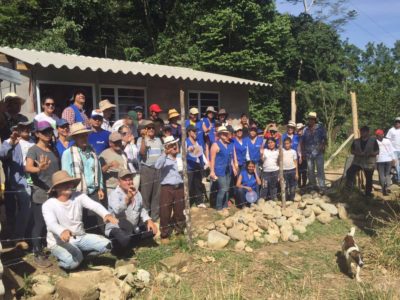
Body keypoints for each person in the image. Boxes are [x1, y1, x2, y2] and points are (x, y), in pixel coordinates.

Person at [42, 170, 118, 270]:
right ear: (56, 188)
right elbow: (51, 224)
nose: (69, 185)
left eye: (69, 182)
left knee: (107, 245)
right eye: (64, 184)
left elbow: (94, 205)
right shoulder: (48, 204)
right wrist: (62, 231)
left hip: (80, 237)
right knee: (72, 263)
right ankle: (62, 263)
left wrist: (106, 214)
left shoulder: (78, 196)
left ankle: (83, 257)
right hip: (60, 242)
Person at [25, 121, 60, 267]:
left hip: (54, 192)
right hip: (40, 193)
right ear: (37, 134)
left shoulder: (52, 149)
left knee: (51, 222)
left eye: (49, 131)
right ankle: (37, 252)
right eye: (44, 131)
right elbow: (28, 167)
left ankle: (51, 247)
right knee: (39, 223)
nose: (47, 134)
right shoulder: (33, 150)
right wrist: (39, 169)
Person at [61, 122, 105, 229]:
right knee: (82, 219)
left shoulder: (92, 151)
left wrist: (100, 188)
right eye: (81, 136)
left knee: (97, 218)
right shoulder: (68, 153)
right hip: (77, 191)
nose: (84, 138)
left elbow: (98, 171)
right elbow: (65, 175)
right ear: (75, 138)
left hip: (93, 190)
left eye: (85, 135)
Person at [105, 169, 157, 255]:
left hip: (132, 228)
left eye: (130, 179)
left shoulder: (137, 193)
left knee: (152, 230)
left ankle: (130, 241)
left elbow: (141, 209)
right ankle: (116, 245)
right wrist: (128, 198)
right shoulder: (114, 194)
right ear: (119, 182)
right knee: (124, 239)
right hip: (117, 228)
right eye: (125, 180)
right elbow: (117, 210)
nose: (128, 182)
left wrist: (149, 220)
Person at [0, 120, 34, 245]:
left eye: (27, 126)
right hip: (20, 180)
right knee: (25, 207)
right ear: (17, 129)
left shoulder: (33, 141)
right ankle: (18, 237)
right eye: (22, 127)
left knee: (32, 209)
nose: (25, 129)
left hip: (35, 178)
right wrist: (11, 142)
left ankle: (29, 235)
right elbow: (1, 153)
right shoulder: (11, 142)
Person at [155, 136, 185, 244]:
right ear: (167, 147)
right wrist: (165, 153)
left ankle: (179, 231)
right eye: (171, 145)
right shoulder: (163, 158)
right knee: (165, 211)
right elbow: (157, 166)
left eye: (175, 144)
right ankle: (164, 234)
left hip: (179, 186)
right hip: (167, 187)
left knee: (179, 210)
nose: (174, 147)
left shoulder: (180, 157)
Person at [137, 121, 163, 220]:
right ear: (145, 130)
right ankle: (146, 219)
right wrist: (144, 138)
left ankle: (155, 218)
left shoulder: (158, 140)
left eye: (153, 127)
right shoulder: (141, 139)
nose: (151, 129)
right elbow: (142, 152)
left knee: (156, 195)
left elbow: (162, 153)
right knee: (145, 195)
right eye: (148, 128)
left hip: (157, 169)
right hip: (146, 169)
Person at [210, 126, 238, 213]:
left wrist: (234, 167)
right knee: (223, 188)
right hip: (219, 170)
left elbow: (232, 158)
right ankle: (218, 207)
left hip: (228, 170)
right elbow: (212, 160)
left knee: (227, 188)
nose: (225, 135)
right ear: (220, 134)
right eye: (223, 133)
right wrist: (212, 171)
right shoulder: (215, 145)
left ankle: (225, 205)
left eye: (226, 133)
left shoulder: (230, 144)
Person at [345, 126, 379, 197]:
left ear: (368, 132)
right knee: (349, 171)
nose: (362, 133)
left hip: (369, 162)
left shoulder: (373, 140)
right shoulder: (356, 141)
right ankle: (350, 187)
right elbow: (352, 151)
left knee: (369, 178)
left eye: (364, 132)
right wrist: (358, 154)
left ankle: (368, 193)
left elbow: (377, 151)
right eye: (361, 132)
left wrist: (370, 154)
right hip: (358, 162)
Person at [301, 112, 327, 191]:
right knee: (310, 171)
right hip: (308, 154)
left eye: (312, 119)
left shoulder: (320, 128)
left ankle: (322, 187)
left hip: (319, 153)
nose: (310, 120)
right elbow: (302, 141)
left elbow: (324, 139)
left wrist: (322, 147)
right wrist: (303, 153)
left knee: (320, 170)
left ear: (315, 120)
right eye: (309, 119)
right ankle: (313, 186)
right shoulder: (305, 129)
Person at [99, 132, 129, 197]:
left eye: (119, 141)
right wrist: (109, 165)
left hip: (123, 187)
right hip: (110, 188)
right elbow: (99, 171)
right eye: (115, 142)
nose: (118, 144)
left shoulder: (124, 154)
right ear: (110, 143)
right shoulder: (104, 154)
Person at [186, 125, 207, 208]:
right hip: (189, 167)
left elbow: (201, 154)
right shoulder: (186, 142)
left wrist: (206, 162)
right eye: (194, 131)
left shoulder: (197, 142)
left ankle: (199, 202)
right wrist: (187, 151)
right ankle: (187, 204)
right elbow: (182, 154)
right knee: (189, 186)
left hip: (198, 166)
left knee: (198, 184)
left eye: (196, 131)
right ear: (189, 132)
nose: (196, 133)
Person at [376, 129, 396, 195]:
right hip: (388, 160)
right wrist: (393, 158)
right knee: (387, 174)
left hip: (380, 160)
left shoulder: (375, 141)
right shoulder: (387, 141)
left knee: (381, 175)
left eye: (378, 135)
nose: (379, 136)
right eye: (378, 135)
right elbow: (391, 150)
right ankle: (387, 187)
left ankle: (383, 188)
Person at [386, 117, 400, 184]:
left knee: (398, 166)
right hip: (394, 150)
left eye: (399, 122)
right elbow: (387, 139)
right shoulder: (391, 130)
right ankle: (399, 180)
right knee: (396, 165)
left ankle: (396, 177)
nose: (398, 123)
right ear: (395, 122)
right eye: (397, 122)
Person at [296, 123, 307, 188]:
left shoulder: (305, 136)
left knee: (304, 171)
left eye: (300, 129)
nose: (299, 130)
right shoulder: (295, 137)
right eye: (298, 129)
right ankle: (299, 184)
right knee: (298, 171)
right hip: (297, 157)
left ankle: (304, 184)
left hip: (304, 156)